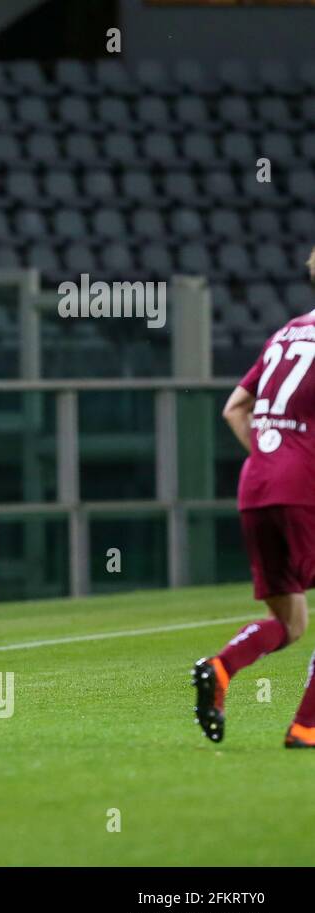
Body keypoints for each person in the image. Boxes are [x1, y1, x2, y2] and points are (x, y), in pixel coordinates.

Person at [194, 253, 315, 748]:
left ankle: (221, 668)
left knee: (291, 621)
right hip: (301, 487)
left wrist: (275, 456)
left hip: (257, 484)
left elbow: (233, 409)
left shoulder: (286, 333)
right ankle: (307, 727)